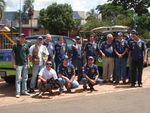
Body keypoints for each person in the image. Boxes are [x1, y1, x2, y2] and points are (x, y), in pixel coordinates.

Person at [12, 33, 30, 98]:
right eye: (21, 37)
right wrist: (13, 63)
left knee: (25, 78)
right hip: (18, 64)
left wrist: (28, 63)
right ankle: (18, 93)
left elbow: (27, 55)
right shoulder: (15, 45)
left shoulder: (26, 45)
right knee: (18, 79)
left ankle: (24, 91)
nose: (22, 38)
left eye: (23, 37)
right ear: (19, 38)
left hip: (25, 64)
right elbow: (13, 55)